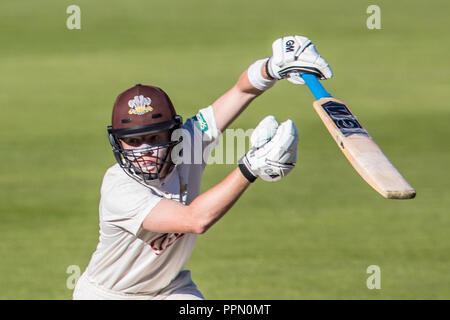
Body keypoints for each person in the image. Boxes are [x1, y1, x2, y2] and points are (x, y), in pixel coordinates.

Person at [73, 35, 332, 300]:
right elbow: (195, 220)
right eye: (133, 142)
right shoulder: (119, 188)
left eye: (154, 138)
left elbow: (242, 91)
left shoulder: (188, 143)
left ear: (174, 135)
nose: (145, 151)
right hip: (109, 295)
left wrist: (272, 67)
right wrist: (250, 167)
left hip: (168, 290)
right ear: (118, 143)